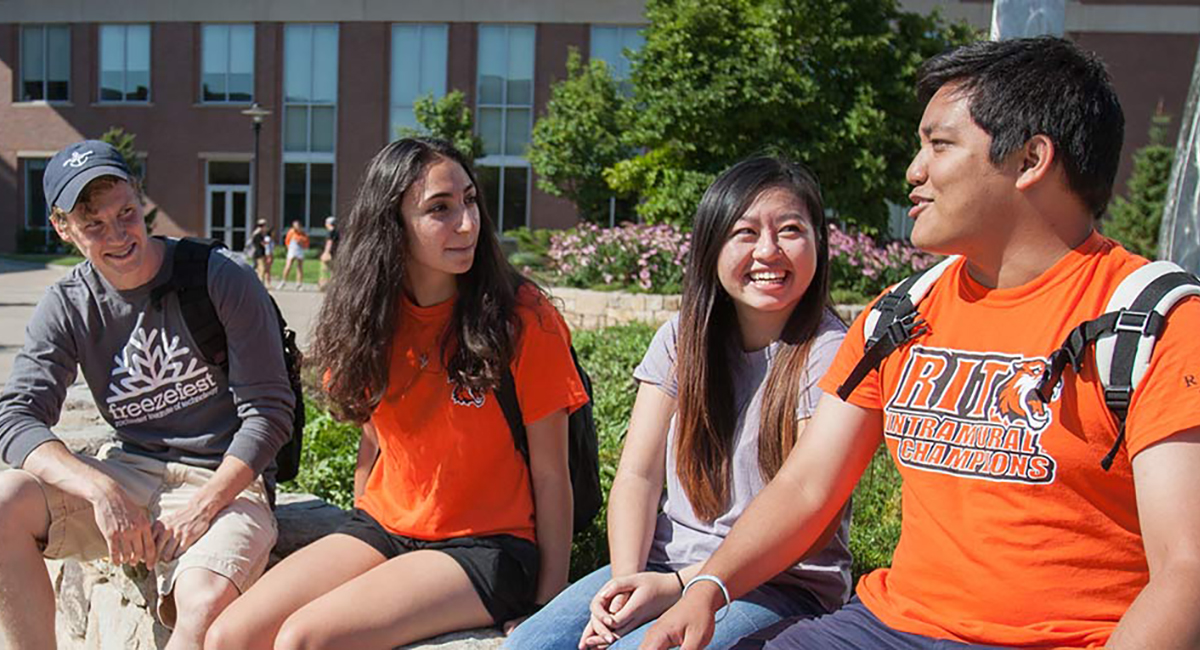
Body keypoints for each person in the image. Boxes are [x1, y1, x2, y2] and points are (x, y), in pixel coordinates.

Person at [642, 36, 1200, 650]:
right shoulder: (900, 315)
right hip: (883, 629)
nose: (913, 170)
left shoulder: (1154, 320)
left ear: (1031, 159)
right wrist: (707, 588)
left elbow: (1187, 569)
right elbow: (806, 487)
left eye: (939, 144)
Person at [204, 137, 589, 650]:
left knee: (304, 639)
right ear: (393, 226)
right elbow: (375, 439)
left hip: (489, 545)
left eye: (470, 201)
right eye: (440, 209)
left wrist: (547, 605)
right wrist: (361, 525)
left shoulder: (521, 317)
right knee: (229, 634)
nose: (468, 223)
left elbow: (551, 472)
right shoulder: (370, 318)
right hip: (386, 528)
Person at [505, 156, 851, 650]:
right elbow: (638, 476)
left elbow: (807, 520)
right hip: (661, 566)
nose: (769, 251)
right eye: (745, 232)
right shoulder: (681, 339)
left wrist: (677, 586)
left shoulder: (829, 354)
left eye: (790, 229)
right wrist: (625, 584)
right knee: (526, 647)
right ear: (712, 247)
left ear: (819, 240)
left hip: (777, 585)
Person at [0, 140, 294, 650]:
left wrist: (205, 505)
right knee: (4, 505)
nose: (117, 235)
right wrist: (99, 489)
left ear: (141, 201)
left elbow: (269, 412)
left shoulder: (219, 278)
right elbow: (17, 419)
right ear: (63, 228)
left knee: (203, 604)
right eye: (93, 224)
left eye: (126, 213)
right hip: (130, 470)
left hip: (224, 480)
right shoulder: (68, 305)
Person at [278, 220, 308, 291]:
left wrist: (301, 242)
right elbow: (287, 241)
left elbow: (306, 243)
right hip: (292, 250)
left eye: (297, 226)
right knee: (288, 266)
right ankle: (283, 281)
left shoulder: (303, 233)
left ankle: (299, 284)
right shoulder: (291, 232)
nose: (296, 228)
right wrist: (289, 248)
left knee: (299, 267)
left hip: (299, 251)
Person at [249, 219, 271, 285]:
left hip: (260, 252)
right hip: (259, 253)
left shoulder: (258, 233)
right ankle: (260, 283)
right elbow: (262, 243)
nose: (266, 227)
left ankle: (259, 282)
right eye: (264, 226)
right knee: (262, 268)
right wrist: (267, 242)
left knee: (258, 268)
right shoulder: (258, 234)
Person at [318, 216, 338, 291]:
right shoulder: (336, 232)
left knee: (324, 270)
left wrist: (326, 253)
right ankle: (334, 286)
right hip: (335, 253)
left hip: (330, 254)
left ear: (328, 224)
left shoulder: (330, 232)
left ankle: (324, 286)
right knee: (333, 271)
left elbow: (329, 243)